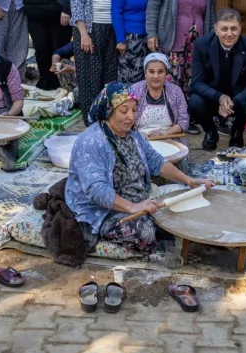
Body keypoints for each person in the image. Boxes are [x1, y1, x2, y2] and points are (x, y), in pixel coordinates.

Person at [64, 82, 214, 254]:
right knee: (145, 233)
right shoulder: (92, 142)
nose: (130, 117)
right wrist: (132, 207)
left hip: (137, 198)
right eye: (123, 110)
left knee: (183, 195)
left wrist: (188, 180)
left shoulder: (133, 134)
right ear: (108, 110)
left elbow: (156, 162)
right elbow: (96, 190)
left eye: (134, 110)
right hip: (103, 210)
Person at [188, 9, 246, 150]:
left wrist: (232, 103)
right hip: (212, 96)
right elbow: (197, 83)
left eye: (234, 28)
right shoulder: (201, 44)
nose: (229, 34)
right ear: (216, 29)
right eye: (224, 29)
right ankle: (210, 132)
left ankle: (237, 133)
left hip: (237, 99)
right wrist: (219, 97)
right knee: (194, 101)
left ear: (240, 28)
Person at [70, 0, 119, 125]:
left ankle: (105, 117)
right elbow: (76, 3)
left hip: (110, 28)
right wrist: (84, 33)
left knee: (108, 75)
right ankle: (90, 121)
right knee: (90, 77)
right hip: (90, 28)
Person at [130, 53, 189, 140]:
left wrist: (165, 133)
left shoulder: (176, 91)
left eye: (160, 72)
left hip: (169, 137)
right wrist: (139, 136)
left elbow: (184, 121)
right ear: (145, 73)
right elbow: (125, 119)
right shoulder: (135, 90)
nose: (156, 76)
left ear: (166, 74)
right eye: (151, 71)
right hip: (140, 139)